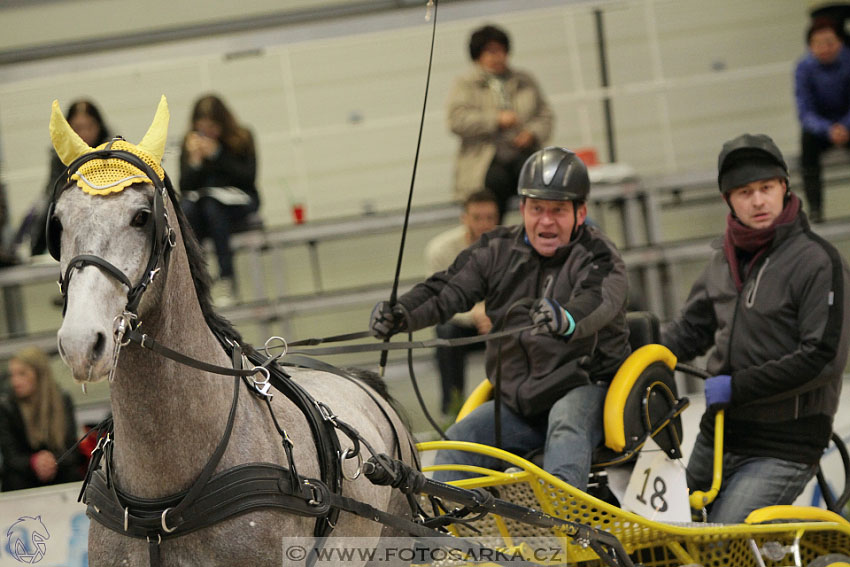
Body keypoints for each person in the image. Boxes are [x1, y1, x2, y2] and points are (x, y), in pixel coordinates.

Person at [371, 147, 630, 491]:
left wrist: (565, 318)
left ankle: (565, 526)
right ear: (523, 208)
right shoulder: (497, 250)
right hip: (517, 404)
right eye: (537, 209)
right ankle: (456, 532)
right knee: (458, 442)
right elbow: (447, 289)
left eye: (558, 210)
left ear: (580, 213)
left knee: (567, 424)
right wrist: (401, 314)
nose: (546, 221)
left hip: (584, 390)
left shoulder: (600, 256)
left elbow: (598, 300)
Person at [661, 133, 850, 523]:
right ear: (727, 199)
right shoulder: (721, 262)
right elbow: (688, 333)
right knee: (661, 537)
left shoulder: (819, 262)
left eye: (767, 187)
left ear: (784, 187)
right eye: (745, 191)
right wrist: (635, 359)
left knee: (723, 546)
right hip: (719, 435)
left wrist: (738, 387)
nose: (758, 200)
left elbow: (823, 358)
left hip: (785, 444)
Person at [447, 24, 554, 222]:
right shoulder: (465, 83)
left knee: (540, 179)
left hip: (523, 153)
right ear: (477, 55)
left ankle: (543, 230)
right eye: (490, 51)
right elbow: (456, 120)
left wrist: (532, 133)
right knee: (494, 185)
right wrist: (495, 119)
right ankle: (495, 239)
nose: (497, 57)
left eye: (501, 51)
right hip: (485, 159)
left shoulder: (525, 80)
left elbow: (545, 115)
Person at [179, 94, 260, 305]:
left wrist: (217, 155)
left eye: (212, 126)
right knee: (187, 209)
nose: (207, 132)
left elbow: (247, 177)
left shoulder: (242, 137)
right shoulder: (189, 143)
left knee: (212, 207)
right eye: (201, 126)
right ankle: (197, 279)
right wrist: (195, 162)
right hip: (203, 204)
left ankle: (226, 277)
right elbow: (185, 186)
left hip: (238, 200)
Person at [425, 190, 499, 415]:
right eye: (477, 218)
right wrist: (475, 315)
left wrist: (496, 315)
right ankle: (453, 410)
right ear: (464, 218)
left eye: (490, 218)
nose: (484, 224)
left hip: (499, 322)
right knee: (445, 334)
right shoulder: (441, 250)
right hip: (463, 325)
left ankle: (509, 405)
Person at [26, 100, 111, 256]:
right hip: (70, 212)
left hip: (105, 214)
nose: (84, 134)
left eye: (89, 127)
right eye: (78, 128)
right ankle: (34, 253)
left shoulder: (111, 151)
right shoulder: (59, 155)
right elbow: (53, 190)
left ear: (99, 126)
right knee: (44, 207)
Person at [0, 347, 84, 491]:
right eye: (12, 376)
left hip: (58, 468)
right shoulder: (7, 406)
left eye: (22, 374)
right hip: (24, 474)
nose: (15, 382)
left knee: (73, 474)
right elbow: (10, 457)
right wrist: (34, 462)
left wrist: (51, 462)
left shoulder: (62, 400)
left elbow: (71, 450)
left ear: (39, 375)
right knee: (14, 479)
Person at [794, 17, 850, 223]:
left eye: (829, 42)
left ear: (840, 42)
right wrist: (828, 129)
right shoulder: (803, 68)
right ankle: (816, 209)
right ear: (810, 46)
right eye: (818, 43)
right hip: (821, 130)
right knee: (806, 142)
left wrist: (845, 126)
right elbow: (804, 111)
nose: (824, 48)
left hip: (847, 124)